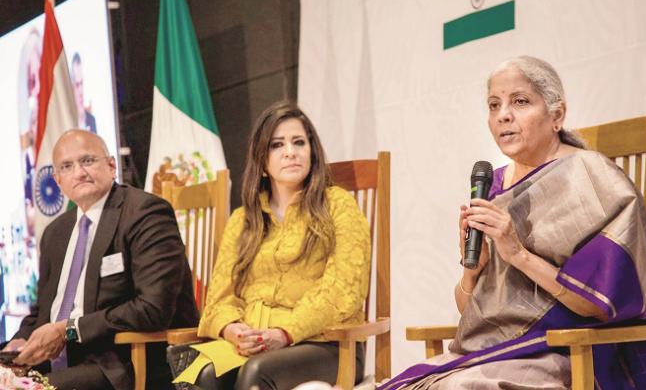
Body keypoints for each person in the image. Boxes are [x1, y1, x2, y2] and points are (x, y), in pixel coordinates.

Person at [381, 56, 646, 390]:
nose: (504, 115)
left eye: (520, 101)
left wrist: (518, 255)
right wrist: (473, 270)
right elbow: (475, 315)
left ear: (557, 115)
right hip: (493, 354)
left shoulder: (593, 178)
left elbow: (599, 304)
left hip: (567, 349)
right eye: (494, 105)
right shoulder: (494, 185)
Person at [173, 101, 371, 389]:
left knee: (256, 373)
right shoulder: (242, 220)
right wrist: (233, 331)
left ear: (312, 152)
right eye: (277, 145)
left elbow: (344, 291)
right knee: (205, 377)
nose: (290, 152)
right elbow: (219, 299)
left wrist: (285, 332)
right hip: (254, 343)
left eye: (299, 142)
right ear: (262, 162)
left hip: (328, 345)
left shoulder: (338, 204)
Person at [2, 129, 199, 390]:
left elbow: (153, 310)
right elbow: (42, 312)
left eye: (87, 161)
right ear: (58, 181)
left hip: (121, 363)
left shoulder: (145, 213)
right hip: (55, 364)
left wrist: (68, 330)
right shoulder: (55, 233)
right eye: (67, 166)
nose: (79, 172)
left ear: (111, 166)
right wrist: (18, 346)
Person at [71, 53, 97, 133]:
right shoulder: (67, 121)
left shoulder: (91, 121)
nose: (80, 91)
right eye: (77, 85)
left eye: (81, 83)